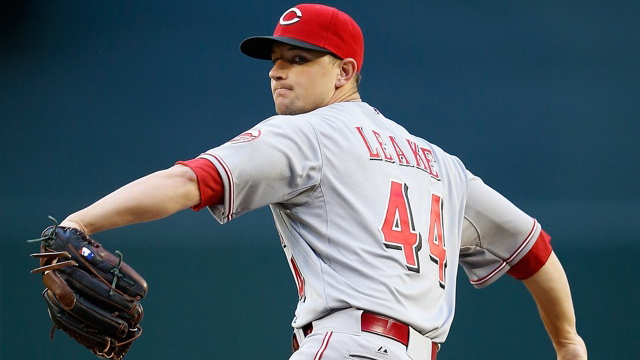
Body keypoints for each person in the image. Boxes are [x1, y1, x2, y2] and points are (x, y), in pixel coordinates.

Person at [56, 4, 587, 360]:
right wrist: (569, 345)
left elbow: (189, 183)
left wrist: (81, 222)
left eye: (298, 58)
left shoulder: (307, 134)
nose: (276, 70)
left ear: (344, 71)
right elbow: (534, 252)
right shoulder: (440, 164)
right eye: (275, 59)